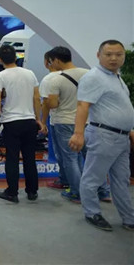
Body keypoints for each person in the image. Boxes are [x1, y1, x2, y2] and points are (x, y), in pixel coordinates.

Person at [68, 40, 134, 232]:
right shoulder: (94, 77)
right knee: (93, 178)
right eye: (108, 54)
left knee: (121, 179)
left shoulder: (116, 77)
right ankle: (92, 212)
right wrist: (78, 133)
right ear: (98, 55)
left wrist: (129, 130)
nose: (114, 58)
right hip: (104, 135)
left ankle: (129, 218)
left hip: (121, 138)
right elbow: (83, 105)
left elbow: (118, 107)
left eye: (119, 54)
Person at [0, 45, 43, 203]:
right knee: (29, 157)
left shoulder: (0, 76)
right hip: (29, 120)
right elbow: (37, 97)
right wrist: (38, 118)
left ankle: (12, 192)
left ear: (0, 59)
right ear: (16, 57)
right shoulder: (30, 73)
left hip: (11, 121)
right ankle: (32, 191)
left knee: (12, 157)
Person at [45, 46, 89, 203]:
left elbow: (53, 104)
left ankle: (77, 192)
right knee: (88, 156)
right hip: (85, 121)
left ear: (57, 60)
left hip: (64, 121)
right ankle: (99, 190)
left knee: (70, 158)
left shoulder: (56, 79)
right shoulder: (87, 74)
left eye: (52, 61)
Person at [39, 51, 69, 190]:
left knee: (60, 153)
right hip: (76, 118)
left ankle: (67, 182)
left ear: (48, 62)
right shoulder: (73, 76)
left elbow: (46, 103)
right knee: (74, 154)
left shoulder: (49, 79)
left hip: (57, 118)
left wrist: (42, 121)